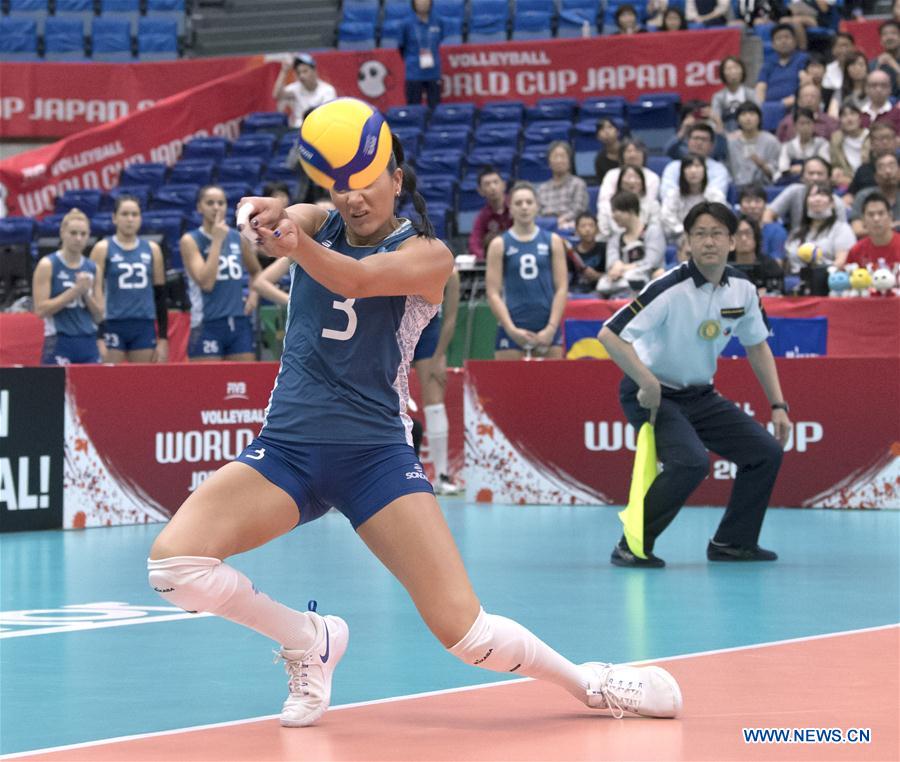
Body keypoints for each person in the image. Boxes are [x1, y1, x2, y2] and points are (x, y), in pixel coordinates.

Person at [148, 131, 683, 726]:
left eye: (368, 184)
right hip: (287, 450)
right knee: (175, 569)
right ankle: (308, 638)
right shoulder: (320, 220)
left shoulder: (429, 255)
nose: (354, 199)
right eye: (342, 186)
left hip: (374, 458)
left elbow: (355, 280)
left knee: (465, 633)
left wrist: (294, 243)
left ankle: (590, 683)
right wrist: (262, 212)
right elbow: (292, 214)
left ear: (397, 181)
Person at [598, 202, 791, 567]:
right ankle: (631, 545)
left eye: (717, 233)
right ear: (687, 242)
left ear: (732, 241)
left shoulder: (743, 289)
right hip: (653, 395)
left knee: (765, 452)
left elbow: (757, 345)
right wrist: (646, 380)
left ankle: (733, 542)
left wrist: (779, 406)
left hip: (700, 395)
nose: (709, 242)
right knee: (690, 462)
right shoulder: (670, 287)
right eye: (699, 234)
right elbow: (610, 334)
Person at [486, 181, 568, 359]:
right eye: (518, 203)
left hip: (547, 325)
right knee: (508, 385)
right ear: (511, 207)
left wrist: (551, 328)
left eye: (529, 202)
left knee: (553, 385)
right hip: (512, 326)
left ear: (537, 206)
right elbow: (493, 292)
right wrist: (510, 329)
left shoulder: (552, 240)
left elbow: (562, 288)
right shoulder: (499, 244)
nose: (524, 207)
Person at [181, 185, 262, 362]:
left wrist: (253, 296)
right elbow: (206, 282)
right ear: (199, 207)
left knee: (244, 383)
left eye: (221, 203)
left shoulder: (238, 237)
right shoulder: (190, 240)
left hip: (238, 321)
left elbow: (256, 271)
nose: (216, 207)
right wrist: (217, 239)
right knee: (208, 386)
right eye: (210, 203)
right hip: (207, 323)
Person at [89, 196, 168, 364]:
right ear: (114, 218)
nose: (130, 219)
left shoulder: (152, 249)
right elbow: (94, 293)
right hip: (112, 323)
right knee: (110, 381)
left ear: (140, 218)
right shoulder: (102, 248)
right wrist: (98, 335)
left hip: (143, 324)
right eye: (124, 214)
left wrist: (163, 338)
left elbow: (160, 296)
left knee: (142, 382)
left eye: (134, 214)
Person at [411, 268, 461, 494]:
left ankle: (441, 475)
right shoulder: (398, 257)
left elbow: (450, 319)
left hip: (428, 335)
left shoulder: (450, 272)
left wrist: (438, 355)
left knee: (434, 400)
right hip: (394, 331)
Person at [32, 209, 103, 365]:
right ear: (62, 232)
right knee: (57, 388)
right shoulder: (48, 265)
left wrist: (86, 295)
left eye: (83, 234)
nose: (78, 238)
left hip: (88, 339)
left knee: (92, 388)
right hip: (59, 340)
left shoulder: (93, 268)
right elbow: (40, 310)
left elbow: (99, 315)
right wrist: (74, 291)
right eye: (73, 233)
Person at [596, 191, 666, 298]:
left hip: (647, 279)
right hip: (621, 283)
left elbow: (652, 262)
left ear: (630, 210)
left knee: (658, 273)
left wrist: (623, 267)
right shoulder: (615, 239)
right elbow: (611, 263)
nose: (613, 216)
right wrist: (615, 266)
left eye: (615, 211)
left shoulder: (653, 232)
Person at [784, 183, 856, 274]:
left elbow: (842, 262)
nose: (817, 199)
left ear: (832, 203)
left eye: (822, 195)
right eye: (812, 195)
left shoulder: (842, 230)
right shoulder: (796, 232)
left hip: (827, 279)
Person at [764, 156, 845, 230]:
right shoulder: (794, 191)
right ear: (802, 177)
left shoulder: (837, 202)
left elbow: (842, 231)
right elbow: (768, 214)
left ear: (829, 178)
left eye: (820, 174)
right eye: (811, 173)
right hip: (795, 241)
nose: (815, 178)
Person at [661, 154, 727, 244]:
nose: (693, 170)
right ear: (682, 172)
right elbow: (667, 218)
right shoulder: (673, 195)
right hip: (680, 238)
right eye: (688, 166)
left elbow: (721, 219)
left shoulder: (715, 195)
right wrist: (686, 232)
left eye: (697, 166)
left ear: (704, 171)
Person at [660, 124, 731, 198]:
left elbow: (717, 197)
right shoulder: (673, 167)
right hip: (679, 208)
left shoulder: (719, 169)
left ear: (711, 145)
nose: (699, 143)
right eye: (696, 138)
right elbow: (666, 194)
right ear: (688, 142)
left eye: (704, 139)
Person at [272, 53, 337, 129]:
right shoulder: (295, 89)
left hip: (320, 129)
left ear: (314, 71)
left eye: (305, 71)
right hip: (298, 131)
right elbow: (277, 95)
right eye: (298, 73)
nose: (301, 76)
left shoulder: (328, 91)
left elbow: (328, 116)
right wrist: (284, 71)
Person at [399, 0, 443, 109]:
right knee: (414, 108)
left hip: (433, 72)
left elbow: (441, 41)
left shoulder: (438, 21)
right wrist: (412, 60)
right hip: (414, 72)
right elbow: (401, 47)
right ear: (414, 3)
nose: (422, 3)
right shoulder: (406, 24)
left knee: (435, 108)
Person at [597, 165, 662, 240]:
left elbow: (655, 229)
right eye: (628, 177)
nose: (632, 181)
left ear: (642, 182)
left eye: (636, 177)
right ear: (620, 182)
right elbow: (604, 230)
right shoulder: (608, 206)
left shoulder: (653, 205)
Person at [536, 141, 589, 231]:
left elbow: (578, 210)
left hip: (569, 225)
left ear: (569, 161)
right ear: (549, 162)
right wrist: (549, 224)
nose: (559, 160)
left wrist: (560, 221)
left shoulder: (578, 184)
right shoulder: (542, 188)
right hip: (545, 227)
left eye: (563, 156)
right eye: (555, 157)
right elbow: (536, 213)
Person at [727, 102, 781, 188]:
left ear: (759, 118)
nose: (748, 118)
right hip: (737, 188)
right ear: (737, 120)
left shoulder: (771, 141)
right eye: (743, 114)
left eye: (752, 114)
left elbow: (777, 172)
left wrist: (762, 165)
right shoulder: (731, 143)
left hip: (764, 187)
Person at [755, 24, 809, 107]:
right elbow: (760, 87)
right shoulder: (768, 63)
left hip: (795, 105)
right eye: (779, 38)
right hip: (770, 107)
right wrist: (761, 107)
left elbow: (806, 82)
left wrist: (793, 100)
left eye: (787, 37)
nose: (783, 41)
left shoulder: (803, 58)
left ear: (795, 41)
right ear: (773, 44)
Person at [730, 215, 786, 294]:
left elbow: (778, 296)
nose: (743, 238)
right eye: (738, 233)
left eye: (748, 233)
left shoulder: (770, 267)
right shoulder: (723, 266)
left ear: (756, 237)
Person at [598, 139, 661, 207]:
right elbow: (604, 202)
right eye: (628, 151)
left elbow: (649, 203)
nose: (632, 155)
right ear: (622, 155)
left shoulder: (652, 177)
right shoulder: (611, 175)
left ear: (644, 155)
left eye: (637, 151)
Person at [467, 166, 511, 261]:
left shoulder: (516, 207)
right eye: (487, 184)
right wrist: (485, 258)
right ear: (480, 191)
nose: (492, 187)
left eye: (496, 182)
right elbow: (474, 242)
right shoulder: (482, 216)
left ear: (504, 185)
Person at [849, 153, 900, 236]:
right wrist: (889, 228)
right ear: (876, 176)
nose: (888, 171)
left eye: (892, 166)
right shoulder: (864, 196)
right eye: (882, 167)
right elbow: (857, 230)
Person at [777, 107, 831, 183]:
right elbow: (783, 168)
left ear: (813, 125)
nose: (805, 127)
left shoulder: (822, 144)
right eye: (802, 123)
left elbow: (825, 165)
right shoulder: (787, 146)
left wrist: (801, 168)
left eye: (808, 123)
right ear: (795, 126)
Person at [847, 121, 898, 200]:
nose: (885, 142)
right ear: (871, 144)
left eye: (888, 137)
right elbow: (850, 196)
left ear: (895, 141)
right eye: (880, 139)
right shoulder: (863, 171)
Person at [846, 192, 900, 267]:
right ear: (863, 219)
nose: (876, 219)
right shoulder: (856, 251)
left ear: (890, 216)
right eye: (871, 214)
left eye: (881, 213)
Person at [738, 184, 789, 261]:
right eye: (748, 201)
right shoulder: (732, 229)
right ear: (740, 205)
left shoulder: (777, 231)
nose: (752, 206)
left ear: (765, 205)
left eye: (757, 201)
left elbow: (778, 263)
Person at [775, 83, 839, 142]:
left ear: (820, 101)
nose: (809, 100)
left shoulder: (830, 122)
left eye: (813, 96)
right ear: (799, 101)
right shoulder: (787, 122)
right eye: (806, 96)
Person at [710, 56, 758, 133]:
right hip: (726, 134)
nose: (733, 71)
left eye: (736, 68)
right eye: (728, 69)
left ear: (742, 71)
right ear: (723, 73)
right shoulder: (718, 97)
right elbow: (715, 121)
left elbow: (757, 116)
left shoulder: (751, 94)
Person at [829, 103, 870, 190]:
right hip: (845, 183)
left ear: (860, 118)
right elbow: (835, 164)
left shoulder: (870, 137)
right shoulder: (836, 139)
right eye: (844, 115)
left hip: (868, 181)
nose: (849, 119)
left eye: (853, 114)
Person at [568, 212, 606, 293]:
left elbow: (612, 276)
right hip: (576, 291)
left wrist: (597, 276)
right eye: (583, 226)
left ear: (597, 229)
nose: (587, 229)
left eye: (591, 225)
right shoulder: (571, 253)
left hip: (600, 292)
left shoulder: (604, 249)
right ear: (576, 230)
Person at [827, 51, 869, 118]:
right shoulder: (840, 91)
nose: (857, 68)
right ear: (847, 69)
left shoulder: (872, 90)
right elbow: (832, 116)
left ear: (867, 68)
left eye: (861, 65)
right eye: (853, 65)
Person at [870, 20, 900, 98]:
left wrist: (894, 65)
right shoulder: (873, 64)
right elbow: (868, 90)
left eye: (893, 33)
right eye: (885, 34)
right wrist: (877, 67)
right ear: (880, 40)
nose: (889, 37)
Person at [822, 31, 855, 96]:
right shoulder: (827, 70)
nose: (843, 50)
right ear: (833, 50)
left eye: (846, 45)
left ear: (853, 48)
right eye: (839, 46)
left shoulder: (860, 67)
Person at [593, 118, 623, 184]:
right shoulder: (599, 159)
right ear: (598, 137)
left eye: (610, 127)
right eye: (602, 129)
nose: (606, 131)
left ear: (618, 132)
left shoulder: (628, 151)